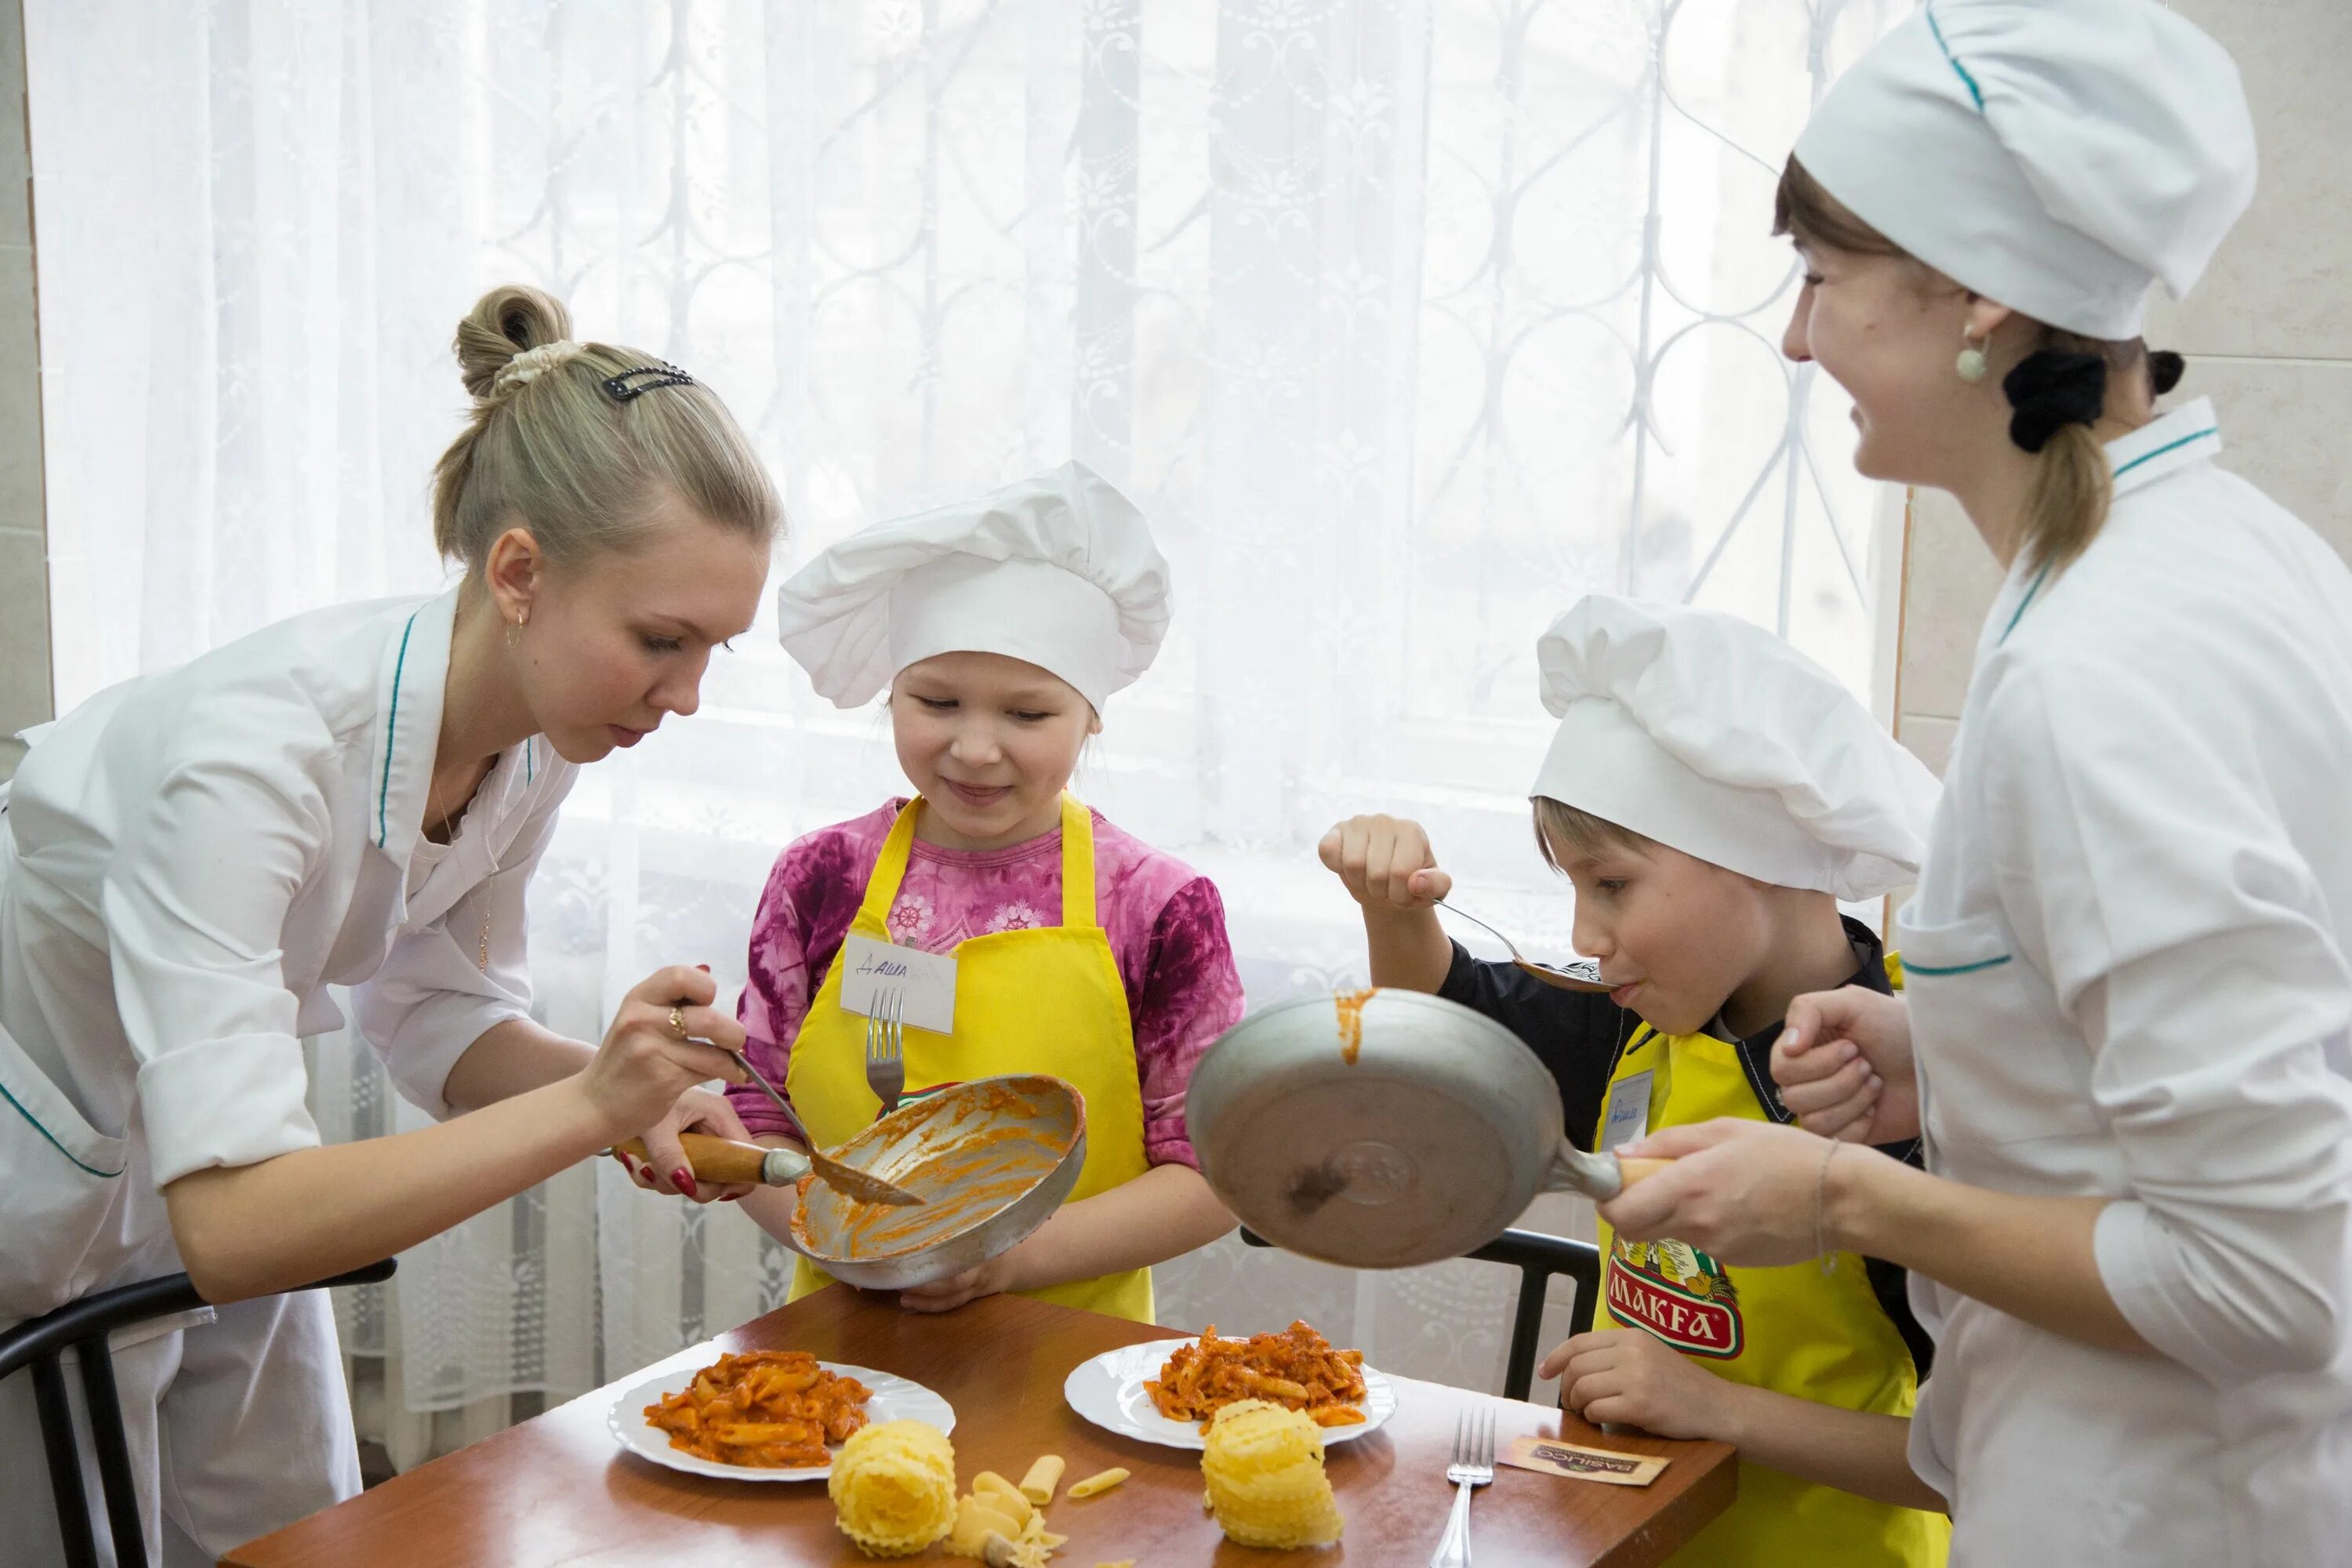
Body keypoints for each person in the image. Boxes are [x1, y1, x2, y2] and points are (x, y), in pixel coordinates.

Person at [1589, 5, 2352, 1563]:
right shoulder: (2216, 558)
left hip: (2165, 1512)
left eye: (1818, 278)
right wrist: (1963, 1051)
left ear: (1977, 292)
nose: (1798, 343)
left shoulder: (2105, 668)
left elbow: (2274, 1276)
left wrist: (1841, 1198)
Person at [0, 283, 781, 1566]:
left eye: (714, 652)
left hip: (235, 1147)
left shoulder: (533, 738)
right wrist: (587, 1108)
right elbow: (238, 1224)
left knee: (302, 1533)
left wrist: (613, 1090)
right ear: (519, 572)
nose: (686, 696)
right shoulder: (249, 762)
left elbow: (436, 1015)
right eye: (662, 640)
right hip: (52, 1159)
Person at [1321, 596, 1947, 1565]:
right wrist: (1391, 906)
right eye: (1573, 887)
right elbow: (1445, 1023)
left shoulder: (1902, 1089)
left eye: (1610, 884)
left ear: (1759, 856)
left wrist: (1715, 1407)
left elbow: (1970, 1454)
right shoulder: (1638, 1026)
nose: (1583, 937)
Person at [730, 462, 1242, 1322]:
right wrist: (867, 1251)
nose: (974, 747)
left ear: (1092, 714)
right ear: (892, 692)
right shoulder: (821, 878)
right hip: (842, 1342)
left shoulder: (1159, 905)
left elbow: (1214, 1173)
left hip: (1071, 1354)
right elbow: (753, 1115)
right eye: (937, 700)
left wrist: (1006, 1257)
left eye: (1027, 714)